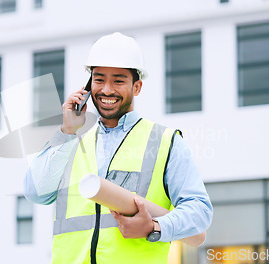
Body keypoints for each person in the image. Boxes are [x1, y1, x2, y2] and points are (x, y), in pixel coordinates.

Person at [24, 32, 213, 264]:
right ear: (87, 85)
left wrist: (155, 226)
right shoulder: (72, 140)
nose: (106, 90)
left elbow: (200, 211)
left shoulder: (165, 141)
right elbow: (36, 192)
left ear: (137, 87)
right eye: (99, 79)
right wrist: (67, 131)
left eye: (119, 80)